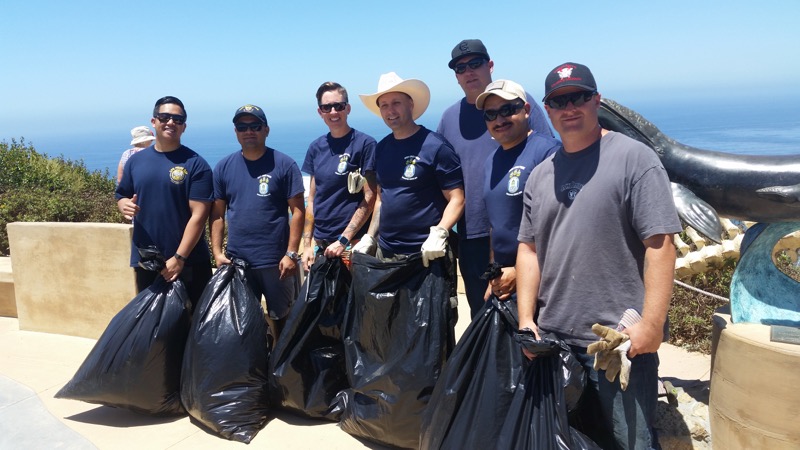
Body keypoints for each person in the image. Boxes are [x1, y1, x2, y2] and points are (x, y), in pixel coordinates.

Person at [515, 62, 681, 449]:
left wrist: (652, 326)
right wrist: (526, 320)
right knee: (566, 439)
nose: (569, 107)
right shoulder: (540, 175)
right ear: (548, 109)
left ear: (597, 100)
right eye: (559, 101)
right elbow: (528, 249)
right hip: (554, 338)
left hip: (617, 341)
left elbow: (661, 245)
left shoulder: (634, 159)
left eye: (579, 97)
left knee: (632, 441)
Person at [437, 39, 553, 319]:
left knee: (531, 314)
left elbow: (548, 161)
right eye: (460, 67)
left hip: (523, 232)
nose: (469, 71)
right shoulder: (449, 117)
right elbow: (441, 175)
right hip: (472, 233)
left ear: (490, 65)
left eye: (475, 63)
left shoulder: (518, 102)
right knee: (485, 315)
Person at [210, 104, 305, 339]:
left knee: (282, 320)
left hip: (277, 263)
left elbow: (298, 211)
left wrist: (291, 254)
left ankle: (281, 370)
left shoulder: (284, 164)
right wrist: (217, 253)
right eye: (242, 127)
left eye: (255, 126)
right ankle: (255, 370)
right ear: (236, 132)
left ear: (266, 130)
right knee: (244, 324)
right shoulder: (224, 167)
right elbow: (218, 214)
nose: (248, 131)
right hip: (238, 263)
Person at [355, 72, 464, 267]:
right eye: (384, 105)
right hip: (387, 252)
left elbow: (457, 198)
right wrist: (370, 237)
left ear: (411, 104)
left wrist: (441, 232)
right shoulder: (381, 149)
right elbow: (381, 199)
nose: (391, 111)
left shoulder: (435, 146)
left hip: (427, 254)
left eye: (396, 102)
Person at [116, 96, 214, 307]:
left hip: (190, 263)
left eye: (178, 119)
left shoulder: (196, 164)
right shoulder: (136, 162)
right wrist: (123, 204)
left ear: (184, 127)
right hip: (147, 261)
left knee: (192, 329)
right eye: (165, 117)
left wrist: (179, 257)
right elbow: (121, 194)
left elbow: (199, 215)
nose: (171, 122)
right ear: (154, 122)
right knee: (152, 329)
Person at [474, 80, 559, 302]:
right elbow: (497, 226)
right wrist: (494, 276)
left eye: (507, 110)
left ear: (526, 110)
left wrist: (520, 272)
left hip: (542, 282)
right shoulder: (491, 161)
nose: (499, 120)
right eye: (490, 114)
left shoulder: (548, 152)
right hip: (505, 281)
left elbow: (560, 227)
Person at [300, 82, 377, 271]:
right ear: (320, 112)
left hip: (352, 245)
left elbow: (371, 196)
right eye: (327, 107)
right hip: (322, 245)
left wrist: (344, 239)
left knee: (355, 301)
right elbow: (312, 199)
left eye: (339, 106)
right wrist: (308, 245)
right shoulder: (316, 148)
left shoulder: (365, 144)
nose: (333, 112)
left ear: (348, 108)